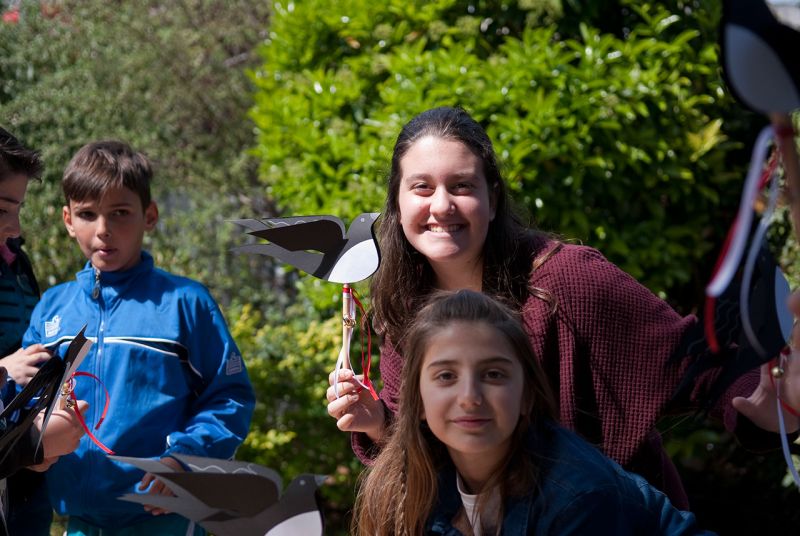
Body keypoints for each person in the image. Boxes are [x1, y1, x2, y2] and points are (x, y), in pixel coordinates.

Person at [328, 105, 800, 511]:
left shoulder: (566, 279)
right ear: (397, 201)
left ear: (493, 200)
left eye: (462, 185)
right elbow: (427, 451)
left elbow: (696, 363)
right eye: (422, 187)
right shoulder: (402, 304)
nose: (442, 205)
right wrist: (378, 424)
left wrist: (768, 407)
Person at [21, 140, 256, 535]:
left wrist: (182, 460)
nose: (103, 230)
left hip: (164, 520)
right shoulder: (51, 309)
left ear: (149, 216)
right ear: (67, 219)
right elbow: (23, 403)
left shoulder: (186, 303)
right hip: (77, 524)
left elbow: (230, 398)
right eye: (87, 214)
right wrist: (32, 444)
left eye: (120, 213)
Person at [353, 289, 713, 535]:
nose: (469, 397)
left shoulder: (578, 496)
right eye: (446, 376)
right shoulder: (404, 485)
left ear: (526, 396)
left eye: (493, 374)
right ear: (418, 401)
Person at [0, 126, 87, 535]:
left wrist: (36, 427)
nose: (16, 228)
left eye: (18, 209)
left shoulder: (18, 263)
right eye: (2, 209)